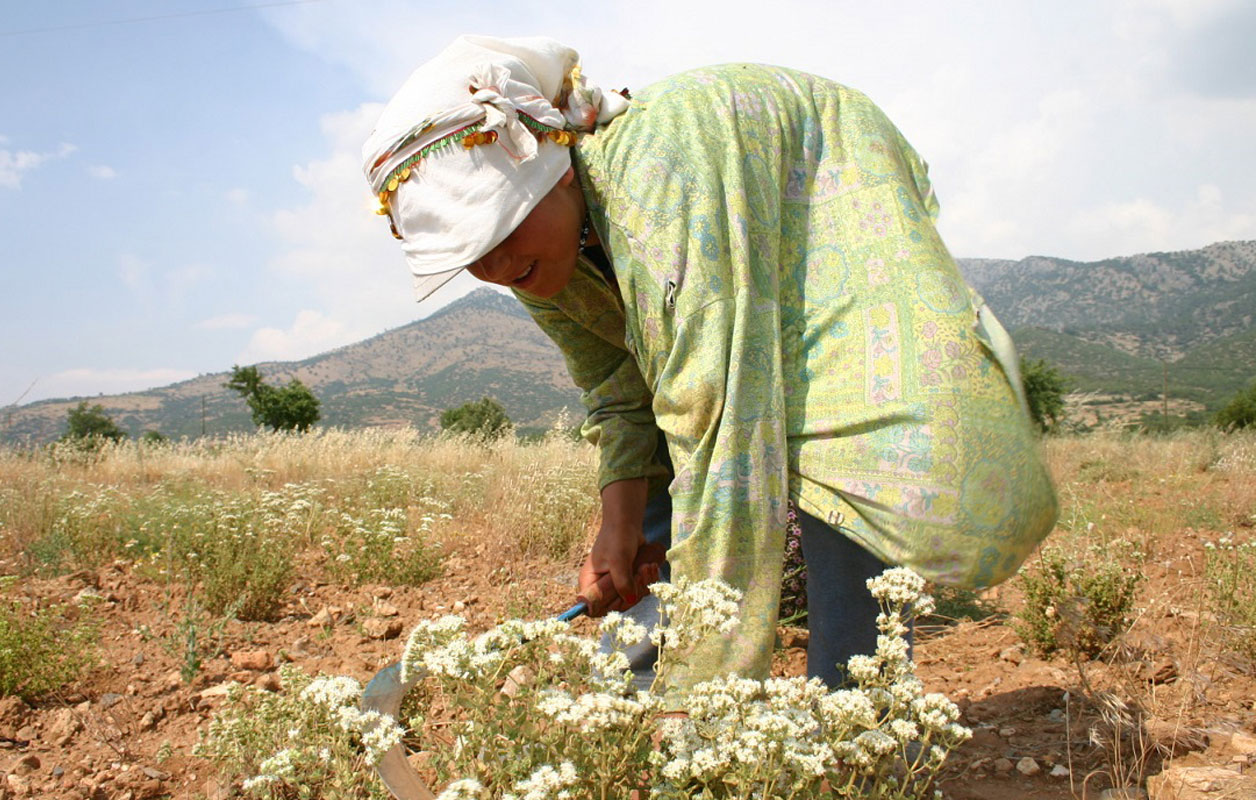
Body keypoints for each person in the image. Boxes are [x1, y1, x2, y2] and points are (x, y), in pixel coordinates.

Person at [362, 35, 1058, 691]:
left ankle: (853, 733)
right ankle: (634, 706)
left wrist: (705, 690)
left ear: (553, 167)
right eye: (470, 254)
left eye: (502, 228)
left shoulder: (655, 185)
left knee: (839, 466)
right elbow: (619, 389)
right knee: (664, 484)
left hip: (825, 190)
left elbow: (721, 422)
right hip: (717, 273)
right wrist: (618, 529)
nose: (495, 263)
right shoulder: (540, 264)